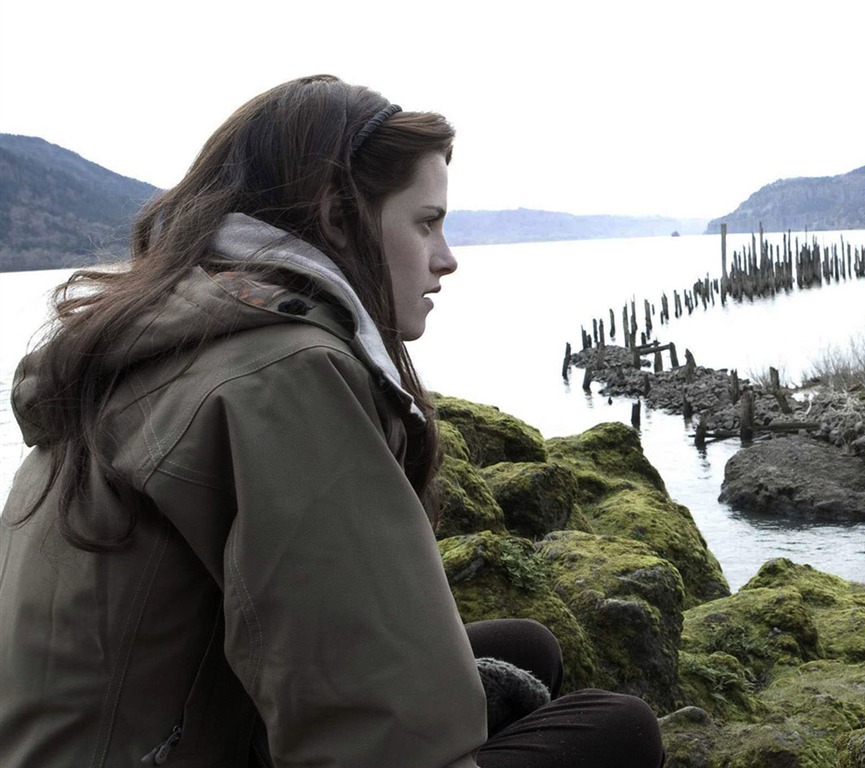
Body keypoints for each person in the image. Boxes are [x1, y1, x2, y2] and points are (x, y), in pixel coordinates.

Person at [0, 75, 662, 767]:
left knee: (526, 648)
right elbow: (378, 744)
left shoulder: (181, 335)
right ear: (338, 218)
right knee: (620, 730)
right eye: (426, 222)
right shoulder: (283, 376)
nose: (447, 258)